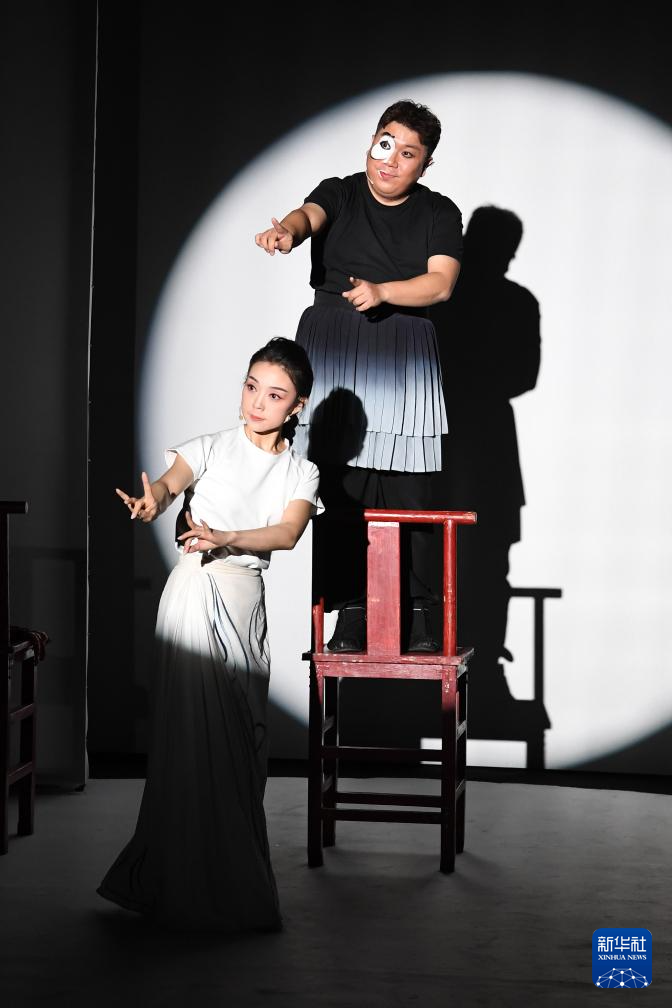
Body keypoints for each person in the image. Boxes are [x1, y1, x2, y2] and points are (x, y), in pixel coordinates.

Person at [97, 337, 323, 932]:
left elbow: (286, 534)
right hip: (195, 596)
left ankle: (227, 882)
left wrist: (227, 537)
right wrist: (152, 502)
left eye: (274, 395)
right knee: (191, 742)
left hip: (246, 603)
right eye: (251, 387)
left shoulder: (301, 471)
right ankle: (180, 886)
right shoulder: (213, 446)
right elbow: (170, 483)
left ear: (297, 406)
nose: (256, 403)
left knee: (243, 744)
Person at [255, 100, 462, 653]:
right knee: (340, 490)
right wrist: (288, 232)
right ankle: (351, 610)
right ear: (372, 140)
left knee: (410, 493)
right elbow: (308, 216)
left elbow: (441, 283)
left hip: (402, 350)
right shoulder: (341, 191)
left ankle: (418, 615)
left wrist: (384, 291)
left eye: (408, 153)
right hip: (335, 350)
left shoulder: (439, 212)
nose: (391, 160)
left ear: (425, 164)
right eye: (385, 144)